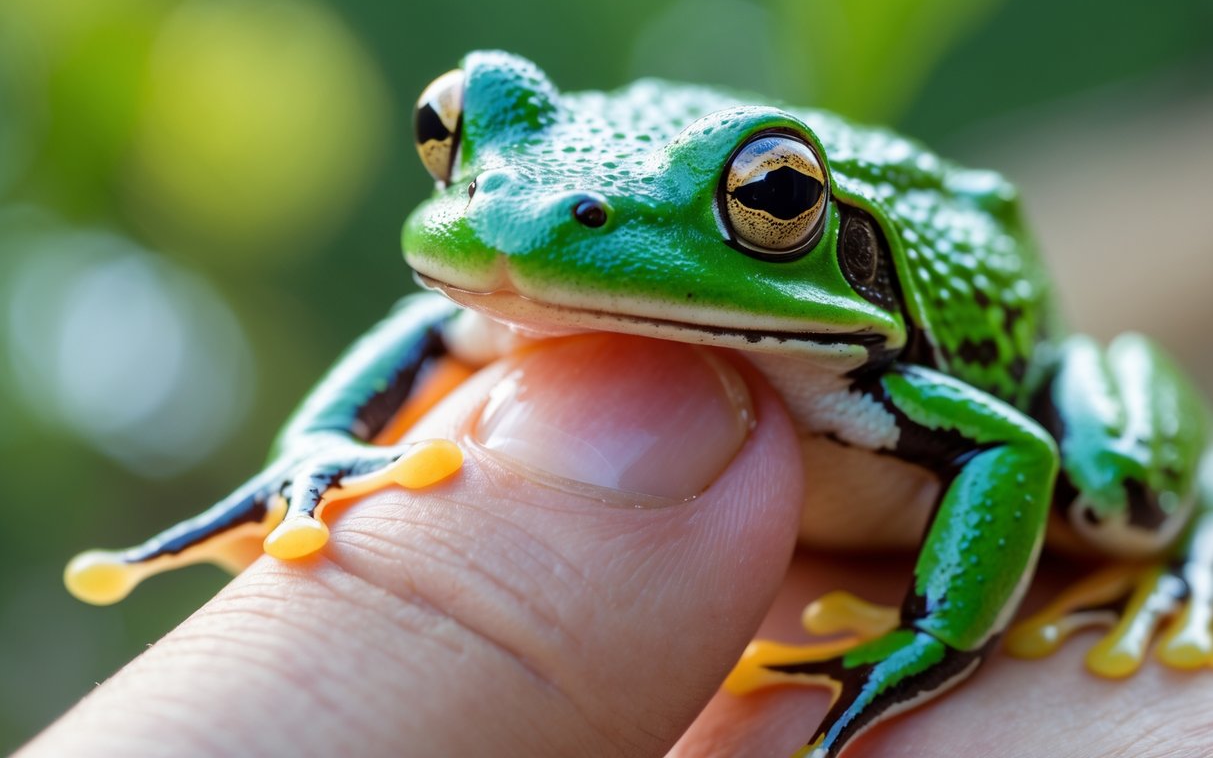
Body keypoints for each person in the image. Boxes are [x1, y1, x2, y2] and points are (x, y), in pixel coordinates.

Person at [18, 335, 1210, 757]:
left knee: (1127, 502)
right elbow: (445, 318)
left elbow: (1009, 451)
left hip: (982, 386)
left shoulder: (881, 368)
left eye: (774, 198)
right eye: (454, 145)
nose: (559, 217)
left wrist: (929, 638)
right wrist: (318, 440)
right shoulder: (528, 255)